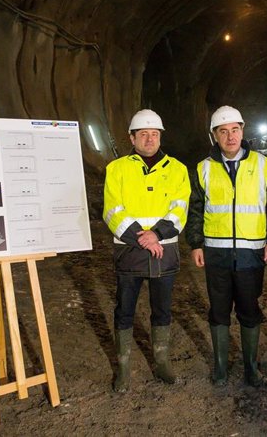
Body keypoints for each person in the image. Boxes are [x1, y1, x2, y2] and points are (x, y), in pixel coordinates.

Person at [185, 105, 267, 387]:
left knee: (249, 309)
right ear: (214, 136)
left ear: (243, 131)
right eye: (223, 131)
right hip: (215, 253)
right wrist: (195, 243)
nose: (230, 137)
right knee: (218, 311)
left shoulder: (264, 166)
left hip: (251, 252)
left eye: (235, 130)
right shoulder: (203, 169)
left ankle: (251, 367)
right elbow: (194, 209)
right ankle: (220, 367)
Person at [103, 109, 190, 393]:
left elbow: (180, 209)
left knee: (162, 309)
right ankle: (124, 368)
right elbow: (113, 211)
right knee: (125, 310)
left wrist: (158, 234)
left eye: (154, 134)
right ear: (132, 137)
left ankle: (162, 362)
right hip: (130, 251)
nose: (150, 139)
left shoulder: (177, 169)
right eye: (144, 134)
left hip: (164, 251)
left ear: (160, 136)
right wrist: (145, 239)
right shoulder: (116, 169)